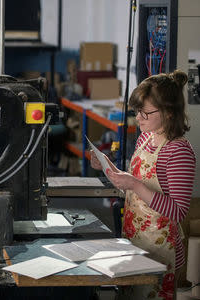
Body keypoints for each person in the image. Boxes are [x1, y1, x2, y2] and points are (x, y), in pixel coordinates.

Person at [90, 70, 196, 300]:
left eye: (145, 113)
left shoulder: (178, 152)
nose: (138, 118)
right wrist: (108, 167)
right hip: (134, 240)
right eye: (137, 112)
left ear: (168, 112)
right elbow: (133, 187)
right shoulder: (145, 138)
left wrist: (135, 185)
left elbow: (178, 211)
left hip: (160, 249)